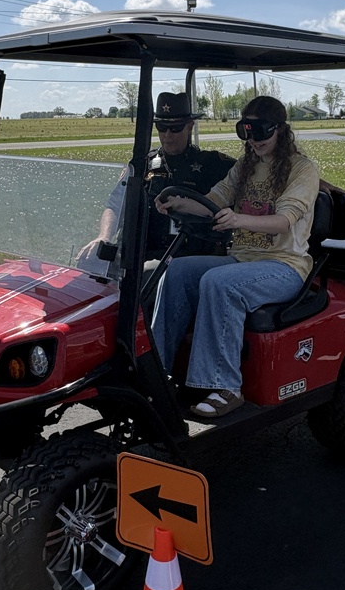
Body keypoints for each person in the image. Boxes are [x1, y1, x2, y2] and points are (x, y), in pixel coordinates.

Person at [151, 96, 319, 418]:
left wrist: (238, 219)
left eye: (260, 132)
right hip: (243, 259)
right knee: (175, 270)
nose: (254, 140)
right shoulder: (245, 167)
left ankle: (226, 386)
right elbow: (213, 200)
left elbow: (284, 220)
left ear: (280, 130)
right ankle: (157, 369)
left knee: (218, 281)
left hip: (285, 266)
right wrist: (177, 201)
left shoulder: (302, 169)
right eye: (247, 132)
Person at [77, 92, 234, 267]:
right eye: (161, 127)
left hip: (192, 256)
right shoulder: (142, 165)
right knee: (90, 263)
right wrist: (104, 236)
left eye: (175, 128)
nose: (167, 135)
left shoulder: (213, 165)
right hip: (142, 253)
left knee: (149, 271)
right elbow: (115, 205)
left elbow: (246, 179)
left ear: (190, 126)